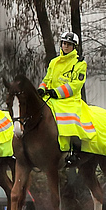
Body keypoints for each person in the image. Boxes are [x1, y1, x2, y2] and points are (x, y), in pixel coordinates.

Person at [39, 31, 95, 167]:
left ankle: (73, 151)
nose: (66, 46)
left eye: (69, 44)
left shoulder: (80, 64)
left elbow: (76, 85)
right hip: (51, 97)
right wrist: (42, 87)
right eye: (64, 43)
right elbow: (47, 79)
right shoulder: (54, 62)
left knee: (70, 120)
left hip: (70, 99)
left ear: (74, 47)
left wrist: (57, 93)